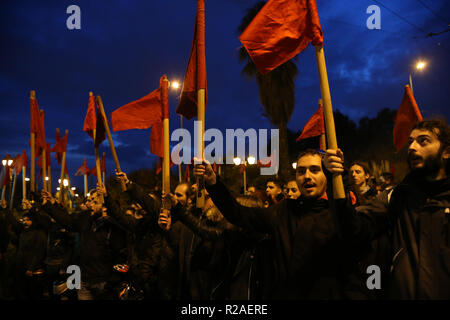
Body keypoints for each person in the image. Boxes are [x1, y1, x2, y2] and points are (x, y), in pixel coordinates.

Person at [193, 150, 357, 299]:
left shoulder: (339, 216)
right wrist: (213, 183)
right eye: (301, 171)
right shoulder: (281, 211)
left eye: (315, 170)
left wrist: (339, 177)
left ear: (326, 175)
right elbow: (239, 214)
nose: (307, 176)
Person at [324, 119, 450, 299]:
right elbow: (353, 229)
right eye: (410, 142)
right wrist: (335, 180)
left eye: (423, 141)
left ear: (446, 151)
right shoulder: (395, 197)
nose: (412, 147)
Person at [41, 188, 128, 300]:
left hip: (103, 282)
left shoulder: (113, 227)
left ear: (105, 207)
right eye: (90, 200)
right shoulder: (86, 219)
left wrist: (112, 282)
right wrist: (50, 204)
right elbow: (67, 221)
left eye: (95, 202)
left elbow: (121, 256)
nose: (90, 204)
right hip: (84, 279)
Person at [3, 198, 47, 299]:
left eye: (28, 220)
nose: (25, 222)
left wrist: (31, 268)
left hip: (32, 269)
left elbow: (39, 252)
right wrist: (5, 208)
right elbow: (13, 222)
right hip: (20, 267)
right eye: (24, 220)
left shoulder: (39, 233)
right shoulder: (23, 231)